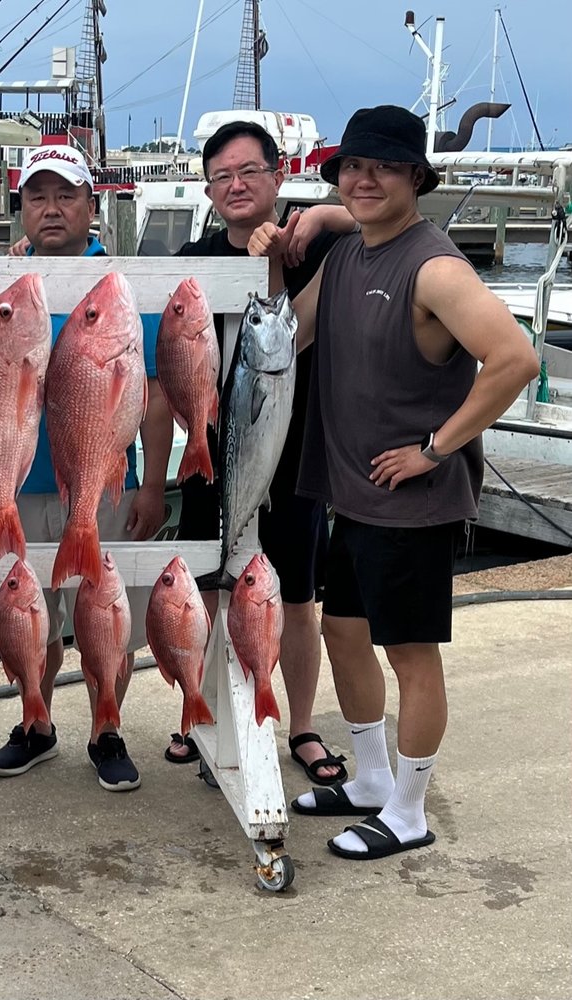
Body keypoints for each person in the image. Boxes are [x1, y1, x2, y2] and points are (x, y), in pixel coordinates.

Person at [250, 105, 538, 859]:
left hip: (409, 502)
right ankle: (371, 779)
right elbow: (288, 329)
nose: (364, 178)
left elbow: (514, 359)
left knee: (410, 654)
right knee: (344, 632)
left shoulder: (435, 266)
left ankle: (408, 812)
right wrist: (284, 244)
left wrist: (434, 449)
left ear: (415, 175)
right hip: (349, 493)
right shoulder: (348, 255)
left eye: (382, 166)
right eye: (351, 166)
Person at [164, 120, 356, 786]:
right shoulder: (194, 257)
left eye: (249, 170)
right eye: (221, 176)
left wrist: (322, 213)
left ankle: (297, 723)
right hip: (210, 454)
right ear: (208, 189)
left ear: (277, 174)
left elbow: (387, 222)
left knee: (295, 596)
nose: (236, 184)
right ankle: (203, 707)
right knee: (209, 588)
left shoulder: (322, 242)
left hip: (296, 453)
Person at [0, 145, 171, 791]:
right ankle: (35, 721)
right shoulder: (3, 289)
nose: (51, 208)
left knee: (103, 610)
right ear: (21, 211)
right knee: (29, 611)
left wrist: (152, 483)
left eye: (65, 195)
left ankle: (106, 727)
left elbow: (151, 393)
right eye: (36, 196)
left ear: (92, 205)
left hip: (103, 480)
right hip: (21, 485)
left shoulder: (120, 288)